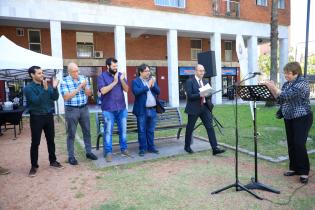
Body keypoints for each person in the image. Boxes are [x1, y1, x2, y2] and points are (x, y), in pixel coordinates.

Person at [263, 62, 313, 184]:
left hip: (302, 117)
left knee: (299, 143)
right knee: (291, 143)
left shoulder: (302, 83)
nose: (285, 75)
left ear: (296, 73)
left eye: (288, 73)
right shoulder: (287, 84)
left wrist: (274, 87)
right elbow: (280, 99)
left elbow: (287, 95)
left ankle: (304, 172)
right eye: (285, 73)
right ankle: (294, 168)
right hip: (289, 117)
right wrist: (272, 89)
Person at [24, 66, 64, 177]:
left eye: (42, 73)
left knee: (51, 140)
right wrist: (45, 90)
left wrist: (55, 88)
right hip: (36, 117)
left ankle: (53, 161)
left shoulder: (46, 85)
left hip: (48, 116)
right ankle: (34, 166)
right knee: (35, 142)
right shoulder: (28, 88)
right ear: (32, 75)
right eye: (39, 73)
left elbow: (55, 97)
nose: (42, 75)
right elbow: (36, 101)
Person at [60, 62, 98, 165]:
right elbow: (66, 97)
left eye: (77, 70)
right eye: (74, 71)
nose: (77, 73)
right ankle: (71, 157)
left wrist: (85, 87)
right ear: (69, 72)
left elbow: (89, 94)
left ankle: (89, 152)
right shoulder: (64, 81)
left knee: (87, 131)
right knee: (71, 133)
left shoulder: (83, 78)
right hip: (71, 110)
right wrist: (79, 87)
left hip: (84, 108)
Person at [184, 64, 225, 155]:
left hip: (204, 107)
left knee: (210, 127)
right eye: (200, 70)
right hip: (193, 108)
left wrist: (208, 93)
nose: (202, 72)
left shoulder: (205, 81)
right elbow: (190, 96)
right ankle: (187, 146)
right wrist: (201, 94)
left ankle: (215, 148)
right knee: (190, 128)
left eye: (203, 71)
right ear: (195, 71)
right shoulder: (190, 81)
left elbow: (209, 95)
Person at [97, 57, 130, 162]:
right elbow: (103, 91)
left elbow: (127, 89)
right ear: (108, 66)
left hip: (121, 108)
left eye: (116, 66)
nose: (116, 68)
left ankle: (124, 149)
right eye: (113, 66)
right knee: (108, 132)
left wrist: (121, 80)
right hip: (108, 109)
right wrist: (115, 82)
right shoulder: (101, 77)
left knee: (123, 131)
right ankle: (108, 153)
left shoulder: (120, 75)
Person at [132, 64, 160, 156]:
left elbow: (158, 91)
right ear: (141, 72)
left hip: (152, 109)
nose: (148, 73)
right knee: (142, 130)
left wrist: (153, 85)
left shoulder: (151, 80)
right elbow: (136, 92)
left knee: (151, 130)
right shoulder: (135, 81)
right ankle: (142, 149)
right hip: (142, 110)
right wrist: (148, 86)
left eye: (149, 71)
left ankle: (151, 147)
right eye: (146, 71)